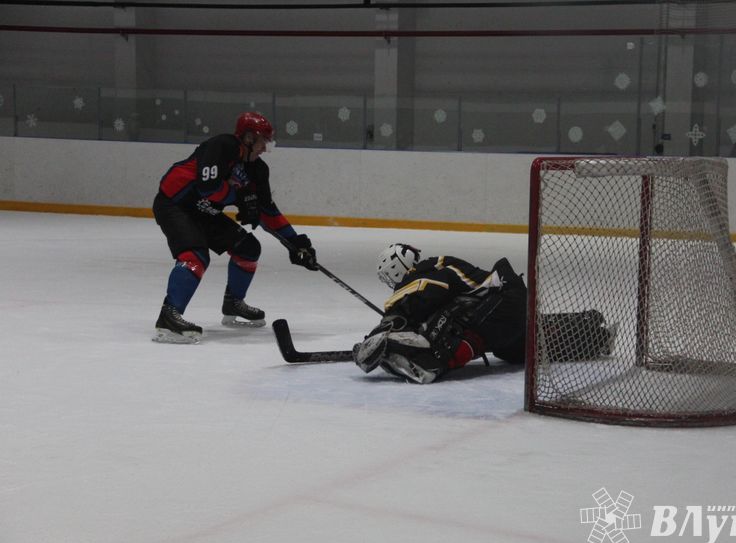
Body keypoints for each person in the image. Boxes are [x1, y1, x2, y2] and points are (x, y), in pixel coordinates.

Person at [152, 111, 318, 344]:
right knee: (195, 255)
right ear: (249, 138)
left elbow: (266, 211)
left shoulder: (258, 171)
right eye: (263, 142)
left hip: (203, 211)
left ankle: (233, 303)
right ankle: (169, 316)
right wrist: (239, 197)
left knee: (248, 248)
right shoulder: (222, 146)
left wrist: (295, 242)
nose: (264, 149)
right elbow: (208, 186)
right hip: (175, 204)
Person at [352, 244, 531, 384]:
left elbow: (420, 295)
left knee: (450, 321)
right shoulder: (436, 267)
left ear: (395, 267)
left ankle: (432, 362)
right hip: (510, 321)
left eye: (388, 276)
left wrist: (389, 323)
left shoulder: (421, 272)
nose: (391, 283)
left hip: (505, 300)